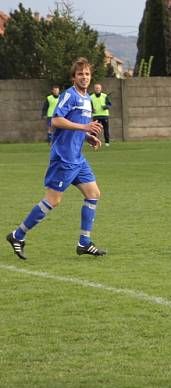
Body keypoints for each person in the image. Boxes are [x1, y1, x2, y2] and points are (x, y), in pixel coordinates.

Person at [6, 58, 105, 260]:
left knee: (93, 193)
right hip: (64, 157)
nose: (84, 77)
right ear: (73, 77)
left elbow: (76, 125)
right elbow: (56, 120)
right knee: (53, 200)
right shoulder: (70, 95)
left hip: (77, 157)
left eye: (86, 74)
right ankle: (17, 235)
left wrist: (88, 137)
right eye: (80, 74)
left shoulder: (87, 98)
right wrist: (84, 128)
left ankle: (84, 243)